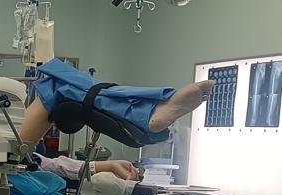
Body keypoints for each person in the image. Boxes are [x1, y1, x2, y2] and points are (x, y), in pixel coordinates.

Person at [18, 59, 214, 148]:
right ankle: (145, 113)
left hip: (3, 151)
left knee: (57, 85)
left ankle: (144, 112)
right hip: (1, 151)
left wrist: (102, 167)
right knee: (57, 84)